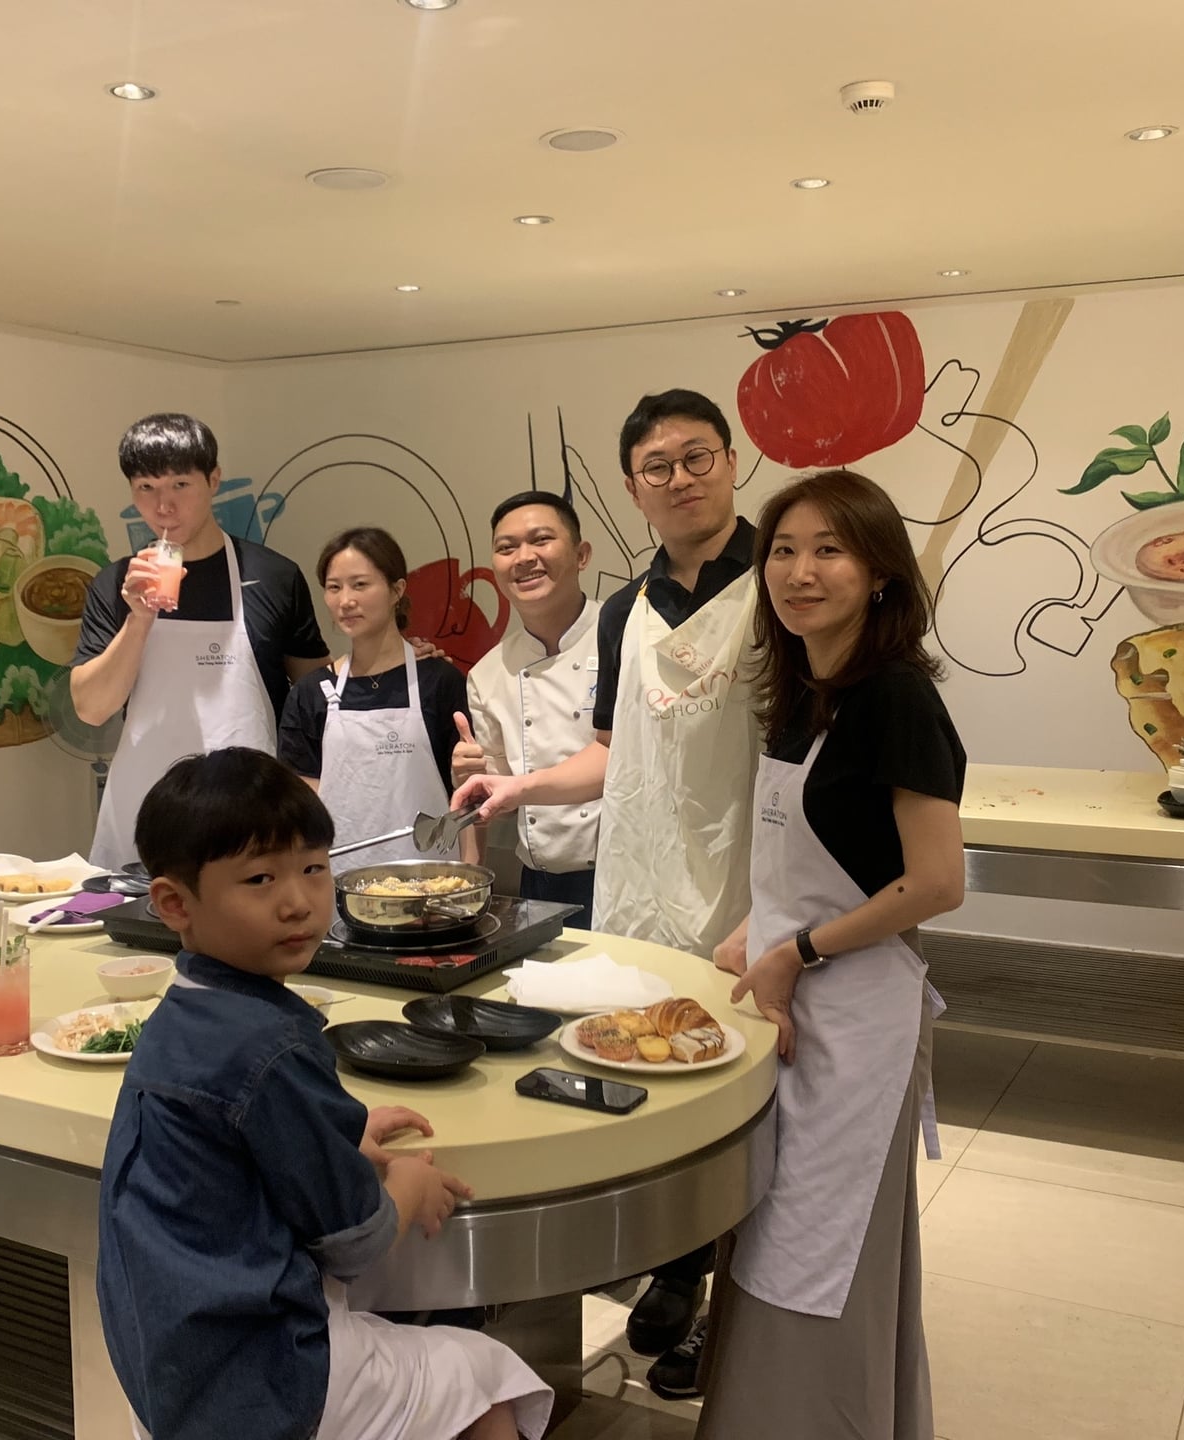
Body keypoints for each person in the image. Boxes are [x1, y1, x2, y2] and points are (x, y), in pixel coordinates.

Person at [98, 747, 552, 1440]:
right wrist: (407, 1186)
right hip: (265, 1380)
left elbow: (238, 1147)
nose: (297, 901)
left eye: (313, 868)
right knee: (485, 1380)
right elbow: (358, 1242)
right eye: (260, 878)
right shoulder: (272, 1045)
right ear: (174, 904)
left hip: (170, 1374)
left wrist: (336, 1136)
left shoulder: (181, 1014)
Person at [451, 390, 764, 1393]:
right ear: (632, 488)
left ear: (731, 461)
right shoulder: (629, 609)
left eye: (695, 457)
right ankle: (678, 1269)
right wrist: (517, 789)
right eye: (655, 466)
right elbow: (610, 753)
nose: (679, 479)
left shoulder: (781, 577)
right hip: (644, 879)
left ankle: (741, 1310)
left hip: (751, 878)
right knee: (666, 1072)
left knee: (755, 1103)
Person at [697, 470, 966, 1440]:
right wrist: (754, 927)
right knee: (770, 1228)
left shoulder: (895, 699)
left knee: (821, 1242)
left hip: (854, 1021)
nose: (798, 572)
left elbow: (935, 882)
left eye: (828, 550)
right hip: (790, 1003)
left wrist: (797, 949)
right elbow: (819, 853)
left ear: (879, 573)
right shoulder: (803, 691)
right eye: (781, 550)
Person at [73, 413, 331, 870]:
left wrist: (383, 662)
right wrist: (139, 619)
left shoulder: (273, 576)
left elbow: (318, 699)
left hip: (252, 814)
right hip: (146, 814)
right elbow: (92, 709)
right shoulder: (115, 584)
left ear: (213, 480)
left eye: (180, 485)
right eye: (146, 488)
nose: (164, 506)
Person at [281, 528, 478, 866]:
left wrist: (471, 869)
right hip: (339, 876)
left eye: (360, 584)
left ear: (396, 590)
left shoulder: (439, 681)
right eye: (334, 587)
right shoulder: (311, 693)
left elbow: (466, 796)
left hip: (432, 877)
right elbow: (299, 801)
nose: (346, 601)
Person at [453, 491, 601, 916]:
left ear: (581, 555)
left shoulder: (624, 635)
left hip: (627, 873)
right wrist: (472, 777)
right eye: (507, 548)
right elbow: (498, 801)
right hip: (539, 881)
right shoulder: (487, 673)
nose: (523, 558)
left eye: (541, 540)